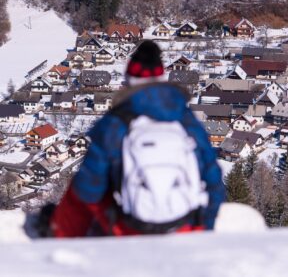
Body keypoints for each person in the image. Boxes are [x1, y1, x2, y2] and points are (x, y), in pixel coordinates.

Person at [47, 40, 225, 237]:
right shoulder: (185, 119)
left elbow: (88, 189)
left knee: (81, 185)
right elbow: (213, 179)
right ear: (161, 78)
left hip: (130, 229)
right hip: (185, 225)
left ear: (128, 80)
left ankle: (61, 238)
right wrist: (204, 228)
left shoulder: (116, 123)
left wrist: (106, 215)